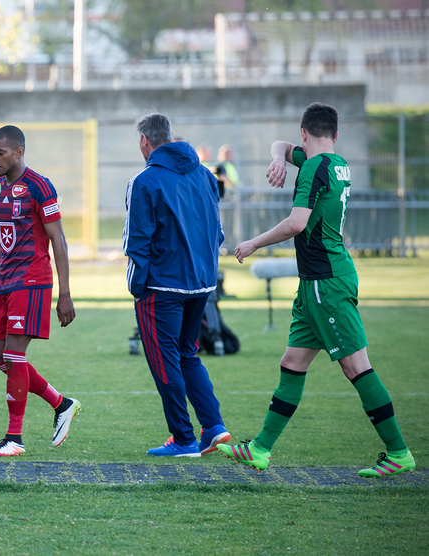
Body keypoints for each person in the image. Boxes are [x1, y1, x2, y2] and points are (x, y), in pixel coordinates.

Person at [220, 103, 416, 477]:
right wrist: (278, 158)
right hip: (315, 283)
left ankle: (398, 452)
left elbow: (297, 223)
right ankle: (260, 449)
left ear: (304, 133)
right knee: (292, 362)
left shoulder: (313, 166)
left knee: (356, 366)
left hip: (327, 282)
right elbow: (281, 146)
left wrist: (253, 243)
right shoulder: (335, 162)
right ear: (335, 135)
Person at [0, 125, 81, 457]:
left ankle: (14, 438)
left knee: (13, 355)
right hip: (5, 283)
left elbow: (58, 239)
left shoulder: (40, 186)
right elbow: (0, 236)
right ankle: (61, 403)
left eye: (0, 153)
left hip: (33, 280)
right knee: (2, 360)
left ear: (18, 152)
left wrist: (64, 293)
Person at [123, 113, 230, 458]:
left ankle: (183, 438)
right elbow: (218, 232)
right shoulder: (205, 175)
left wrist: (137, 286)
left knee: (165, 360)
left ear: (145, 141)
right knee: (187, 354)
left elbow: (137, 242)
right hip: (201, 284)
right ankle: (213, 426)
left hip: (162, 287)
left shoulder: (144, 181)